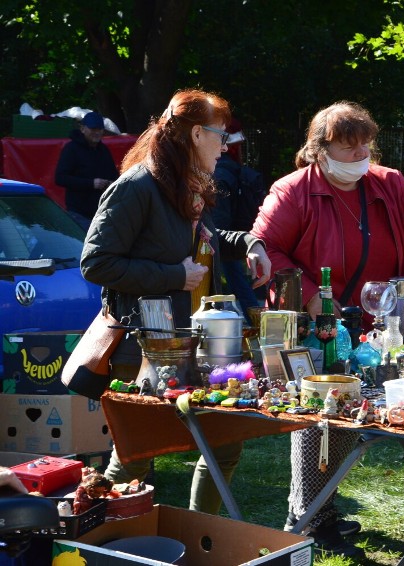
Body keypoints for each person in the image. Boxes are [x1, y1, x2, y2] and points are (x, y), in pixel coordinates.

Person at [251, 100, 404, 558]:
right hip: (317, 328)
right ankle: (303, 517)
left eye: (367, 143)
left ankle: (319, 512)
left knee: (348, 420)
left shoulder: (385, 182)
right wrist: (314, 298)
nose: (362, 154)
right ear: (319, 150)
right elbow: (268, 249)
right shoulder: (291, 191)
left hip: (375, 325)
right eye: (350, 147)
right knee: (317, 418)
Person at [80, 89, 272, 515]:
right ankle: (95, 541)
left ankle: (201, 543)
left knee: (224, 444)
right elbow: (95, 263)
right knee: (133, 461)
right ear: (196, 134)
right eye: (221, 136)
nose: (225, 146)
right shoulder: (136, 186)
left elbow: (206, 240)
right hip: (144, 349)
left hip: (203, 343)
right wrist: (174, 276)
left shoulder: (185, 183)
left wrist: (251, 243)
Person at [211, 118, 263, 321]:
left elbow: (218, 218)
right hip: (236, 232)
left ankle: (254, 320)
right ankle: (255, 319)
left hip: (224, 235)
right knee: (237, 280)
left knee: (233, 281)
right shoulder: (234, 168)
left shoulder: (220, 173)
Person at [55, 111, 120, 228]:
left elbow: (114, 176)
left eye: (99, 129)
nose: (96, 132)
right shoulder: (71, 149)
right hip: (79, 213)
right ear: (83, 129)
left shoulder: (104, 150)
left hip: (102, 212)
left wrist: (111, 183)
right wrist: (91, 183)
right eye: (93, 129)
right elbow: (60, 178)